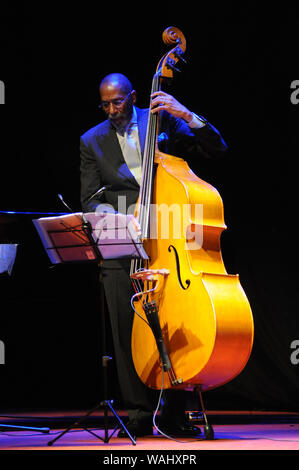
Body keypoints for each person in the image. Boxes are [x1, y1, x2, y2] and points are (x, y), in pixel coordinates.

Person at [80, 73, 227, 438]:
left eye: (118, 102)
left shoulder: (161, 119)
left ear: (132, 97)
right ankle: (140, 413)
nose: (112, 110)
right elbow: (90, 199)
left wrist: (188, 114)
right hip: (124, 245)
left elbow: (216, 148)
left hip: (169, 239)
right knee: (125, 327)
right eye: (105, 104)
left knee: (172, 322)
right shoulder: (90, 140)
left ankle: (175, 412)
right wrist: (116, 215)